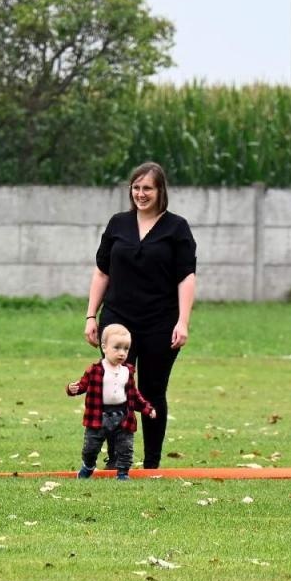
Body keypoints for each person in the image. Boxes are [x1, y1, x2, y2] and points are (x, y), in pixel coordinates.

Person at [82, 162, 196, 470]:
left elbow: (186, 277)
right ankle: (117, 459)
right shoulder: (118, 224)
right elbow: (102, 271)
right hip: (118, 320)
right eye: (136, 188)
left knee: (151, 391)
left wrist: (182, 321)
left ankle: (152, 463)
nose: (141, 194)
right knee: (115, 390)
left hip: (161, 321)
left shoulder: (176, 228)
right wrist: (91, 316)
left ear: (160, 191)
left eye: (148, 188)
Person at [66, 323, 156, 480]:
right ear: (104, 347)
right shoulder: (95, 370)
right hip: (99, 416)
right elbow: (82, 385)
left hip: (123, 416)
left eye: (126, 349)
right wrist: (71, 388)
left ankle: (122, 473)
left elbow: (134, 395)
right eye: (117, 348)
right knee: (91, 447)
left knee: (125, 447)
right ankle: (88, 466)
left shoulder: (127, 371)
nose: (122, 353)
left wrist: (147, 409)